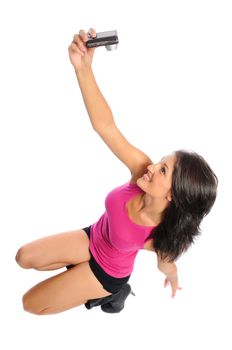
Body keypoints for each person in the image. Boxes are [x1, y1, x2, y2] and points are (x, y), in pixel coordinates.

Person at [15, 28, 218, 316]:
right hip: (92, 238)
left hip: (107, 273)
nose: (150, 167)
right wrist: (83, 68)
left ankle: (112, 294)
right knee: (23, 257)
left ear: (173, 196)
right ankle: (77, 273)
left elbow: (167, 264)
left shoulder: (162, 234)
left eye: (162, 170)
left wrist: (173, 280)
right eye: (160, 160)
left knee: (31, 304)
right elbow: (105, 126)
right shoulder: (140, 174)